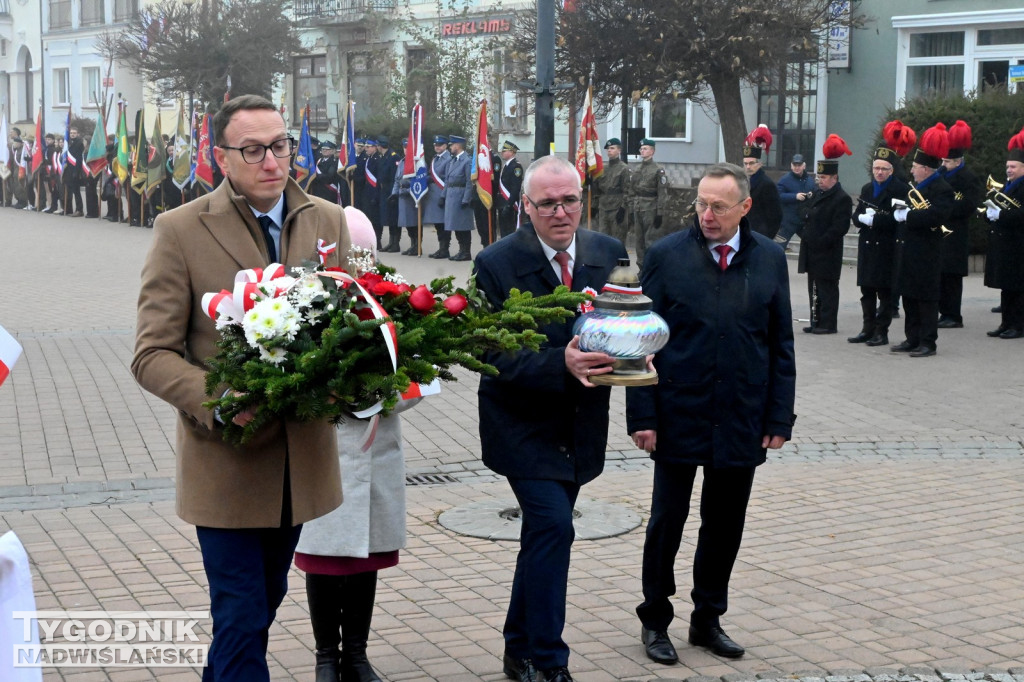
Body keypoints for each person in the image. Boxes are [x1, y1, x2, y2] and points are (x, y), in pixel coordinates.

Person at [131, 94, 351, 682]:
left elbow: (349, 328)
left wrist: (355, 382)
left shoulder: (327, 219)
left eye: (279, 146)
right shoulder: (180, 229)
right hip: (226, 460)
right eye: (252, 150)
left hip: (299, 462)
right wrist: (222, 402)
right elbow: (151, 354)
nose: (271, 161)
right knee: (241, 610)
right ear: (221, 157)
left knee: (262, 605)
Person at [628, 162, 795, 663]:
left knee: (724, 524)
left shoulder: (769, 258)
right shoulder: (665, 256)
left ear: (745, 208)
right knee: (667, 521)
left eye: (718, 206)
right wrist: (643, 416)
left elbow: (780, 342)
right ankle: (655, 619)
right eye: (701, 203)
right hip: (678, 409)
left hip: (741, 412)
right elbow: (638, 340)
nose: (706, 214)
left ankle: (707, 620)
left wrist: (778, 418)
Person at [473, 155, 627, 682]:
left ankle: (517, 649)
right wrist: (557, 361)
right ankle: (547, 659)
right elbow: (487, 353)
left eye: (570, 201)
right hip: (521, 426)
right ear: (527, 207)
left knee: (544, 536)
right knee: (554, 527)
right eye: (548, 204)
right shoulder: (495, 263)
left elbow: (632, 324)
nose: (561, 213)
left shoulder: (608, 254)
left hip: (581, 426)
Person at [296, 207, 416, 682]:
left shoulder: (392, 305)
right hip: (322, 446)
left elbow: (417, 378)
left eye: (363, 257)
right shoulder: (302, 304)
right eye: (349, 256)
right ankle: (327, 655)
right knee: (326, 559)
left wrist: (376, 395)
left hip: (374, 446)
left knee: (365, 556)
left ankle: (357, 655)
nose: (357, 265)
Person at [890, 123, 954, 357]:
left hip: (927, 251)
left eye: (916, 167)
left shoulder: (942, 188)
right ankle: (912, 338)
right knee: (909, 296)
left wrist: (910, 215)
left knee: (926, 299)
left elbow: (937, 215)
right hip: (909, 249)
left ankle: (928, 342)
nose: (913, 170)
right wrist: (901, 211)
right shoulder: (915, 187)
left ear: (926, 169)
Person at [849, 122, 914, 347]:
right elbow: (856, 214)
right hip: (867, 246)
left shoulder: (901, 190)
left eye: (884, 169)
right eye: (876, 168)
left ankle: (881, 331)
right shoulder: (868, 188)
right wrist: (861, 218)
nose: (879, 172)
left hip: (887, 247)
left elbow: (899, 219)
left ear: (892, 170)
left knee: (885, 294)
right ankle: (867, 328)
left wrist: (875, 219)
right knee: (866, 291)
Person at [797, 134, 853, 335]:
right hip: (812, 249)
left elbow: (839, 228)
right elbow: (804, 211)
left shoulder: (841, 198)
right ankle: (815, 320)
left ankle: (828, 323)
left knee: (827, 288)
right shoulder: (817, 194)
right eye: (818, 177)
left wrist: (820, 241)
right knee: (813, 287)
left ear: (834, 178)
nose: (819, 181)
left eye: (823, 178)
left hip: (827, 251)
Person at [938, 120, 982, 330]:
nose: (944, 164)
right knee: (940, 274)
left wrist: (946, 209)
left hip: (956, 233)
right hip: (940, 231)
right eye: (943, 160)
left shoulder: (968, 178)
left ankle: (953, 315)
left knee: (952, 276)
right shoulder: (941, 175)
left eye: (948, 161)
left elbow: (969, 205)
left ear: (958, 161)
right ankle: (943, 312)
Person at [982, 125, 1024, 340]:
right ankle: (1006, 323)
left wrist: (1001, 215)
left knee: (1017, 288)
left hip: (1019, 244)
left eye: (1014, 166)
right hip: (1004, 243)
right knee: (1006, 287)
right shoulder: (1007, 185)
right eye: (1008, 166)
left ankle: (1017, 325)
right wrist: (989, 213)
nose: (1009, 170)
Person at [628, 138, 668, 270]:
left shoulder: (658, 170)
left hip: (651, 207)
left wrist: (660, 212)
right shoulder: (637, 168)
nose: (642, 151)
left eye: (645, 148)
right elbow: (632, 189)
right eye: (641, 149)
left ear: (652, 151)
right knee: (638, 240)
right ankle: (641, 267)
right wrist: (630, 207)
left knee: (649, 240)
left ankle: (651, 267)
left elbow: (662, 192)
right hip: (638, 206)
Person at [741, 124, 782, 239]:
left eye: (752, 163)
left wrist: (767, 238)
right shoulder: (742, 182)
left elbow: (776, 215)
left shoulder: (766, 184)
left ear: (759, 163)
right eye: (746, 163)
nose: (748, 167)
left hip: (759, 236)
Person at [441, 134, 475, 261]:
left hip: (461, 196)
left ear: (458, 146)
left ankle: (466, 252)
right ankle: (461, 250)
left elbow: (469, 182)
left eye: (452, 145)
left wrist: (466, 199)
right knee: (455, 225)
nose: (450, 148)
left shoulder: (467, 160)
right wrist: (443, 195)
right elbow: (447, 180)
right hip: (451, 196)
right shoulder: (453, 161)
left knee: (463, 226)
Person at [594, 137, 629, 245]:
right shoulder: (603, 168)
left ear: (619, 150)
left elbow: (627, 191)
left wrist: (623, 209)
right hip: (603, 208)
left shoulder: (624, 169)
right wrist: (594, 206)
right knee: (603, 239)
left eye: (612, 148)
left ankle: (618, 262)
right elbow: (597, 189)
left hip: (617, 208)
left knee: (617, 240)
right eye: (608, 148)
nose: (609, 150)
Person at [775, 153, 815, 251]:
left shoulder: (810, 180)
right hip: (788, 222)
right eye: (795, 165)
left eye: (799, 165)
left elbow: (815, 193)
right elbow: (778, 196)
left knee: (812, 245)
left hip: (804, 221)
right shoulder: (785, 180)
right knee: (778, 247)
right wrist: (794, 196)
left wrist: (812, 194)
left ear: (804, 166)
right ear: (791, 166)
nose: (797, 167)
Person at [391, 138, 420, 255]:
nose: (406, 150)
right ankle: (412, 244)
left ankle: (417, 246)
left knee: (414, 223)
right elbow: (397, 180)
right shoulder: (402, 162)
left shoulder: (417, 162)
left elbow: (419, 181)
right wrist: (394, 193)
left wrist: (407, 190)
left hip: (412, 197)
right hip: (402, 197)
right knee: (407, 223)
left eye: (408, 147)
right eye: (404, 147)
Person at [424, 135, 449, 258]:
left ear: (445, 146)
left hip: (442, 192)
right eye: (435, 145)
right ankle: (441, 248)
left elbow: (448, 178)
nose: (437, 147)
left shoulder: (448, 158)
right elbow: (431, 174)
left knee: (443, 223)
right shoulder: (435, 158)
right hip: (433, 193)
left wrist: (443, 195)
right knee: (437, 223)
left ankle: (445, 249)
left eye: (439, 145)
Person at [377, 135, 402, 252]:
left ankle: (396, 243)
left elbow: (394, 177)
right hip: (385, 191)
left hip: (392, 192)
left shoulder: (393, 157)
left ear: (380, 146)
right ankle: (391, 242)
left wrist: (394, 193)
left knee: (394, 219)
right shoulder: (383, 157)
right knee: (388, 218)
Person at [496, 140, 523, 239]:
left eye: (504, 151)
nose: (502, 153)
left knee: (509, 231)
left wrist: (509, 204)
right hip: (502, 203)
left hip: (509, 204)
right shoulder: (506, 165)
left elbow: (516, 187)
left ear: (512, 152)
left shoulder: (516, 166)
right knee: (503, 231)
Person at [63, 126, 85, 217]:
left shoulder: (79, 143)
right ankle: (69, 209)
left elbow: (79, 159)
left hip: (75, 170)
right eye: (71, 133)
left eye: (74, 133)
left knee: (76, 191)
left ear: (78, 134)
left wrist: (76, 171)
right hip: (68, 170)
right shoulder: (68, 143)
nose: (72, 134)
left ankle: (79, 210)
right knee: (70, 190)